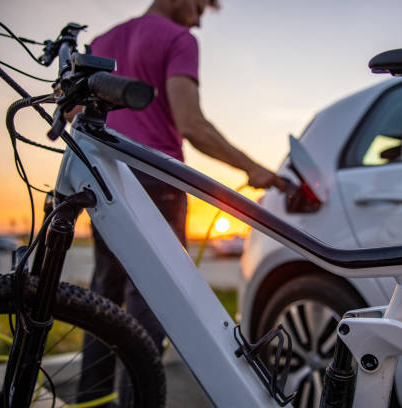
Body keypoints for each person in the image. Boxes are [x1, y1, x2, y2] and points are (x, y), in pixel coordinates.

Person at [76, 0, 285, 403]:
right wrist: (253, 168)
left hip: (102, 176)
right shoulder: (178, 39)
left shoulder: (102, 41)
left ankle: (90, 398)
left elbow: (78, 115)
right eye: (202, 4)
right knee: (150, 301)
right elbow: (191, 124)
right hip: (155, 181)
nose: (201, 18)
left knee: (102, 296)